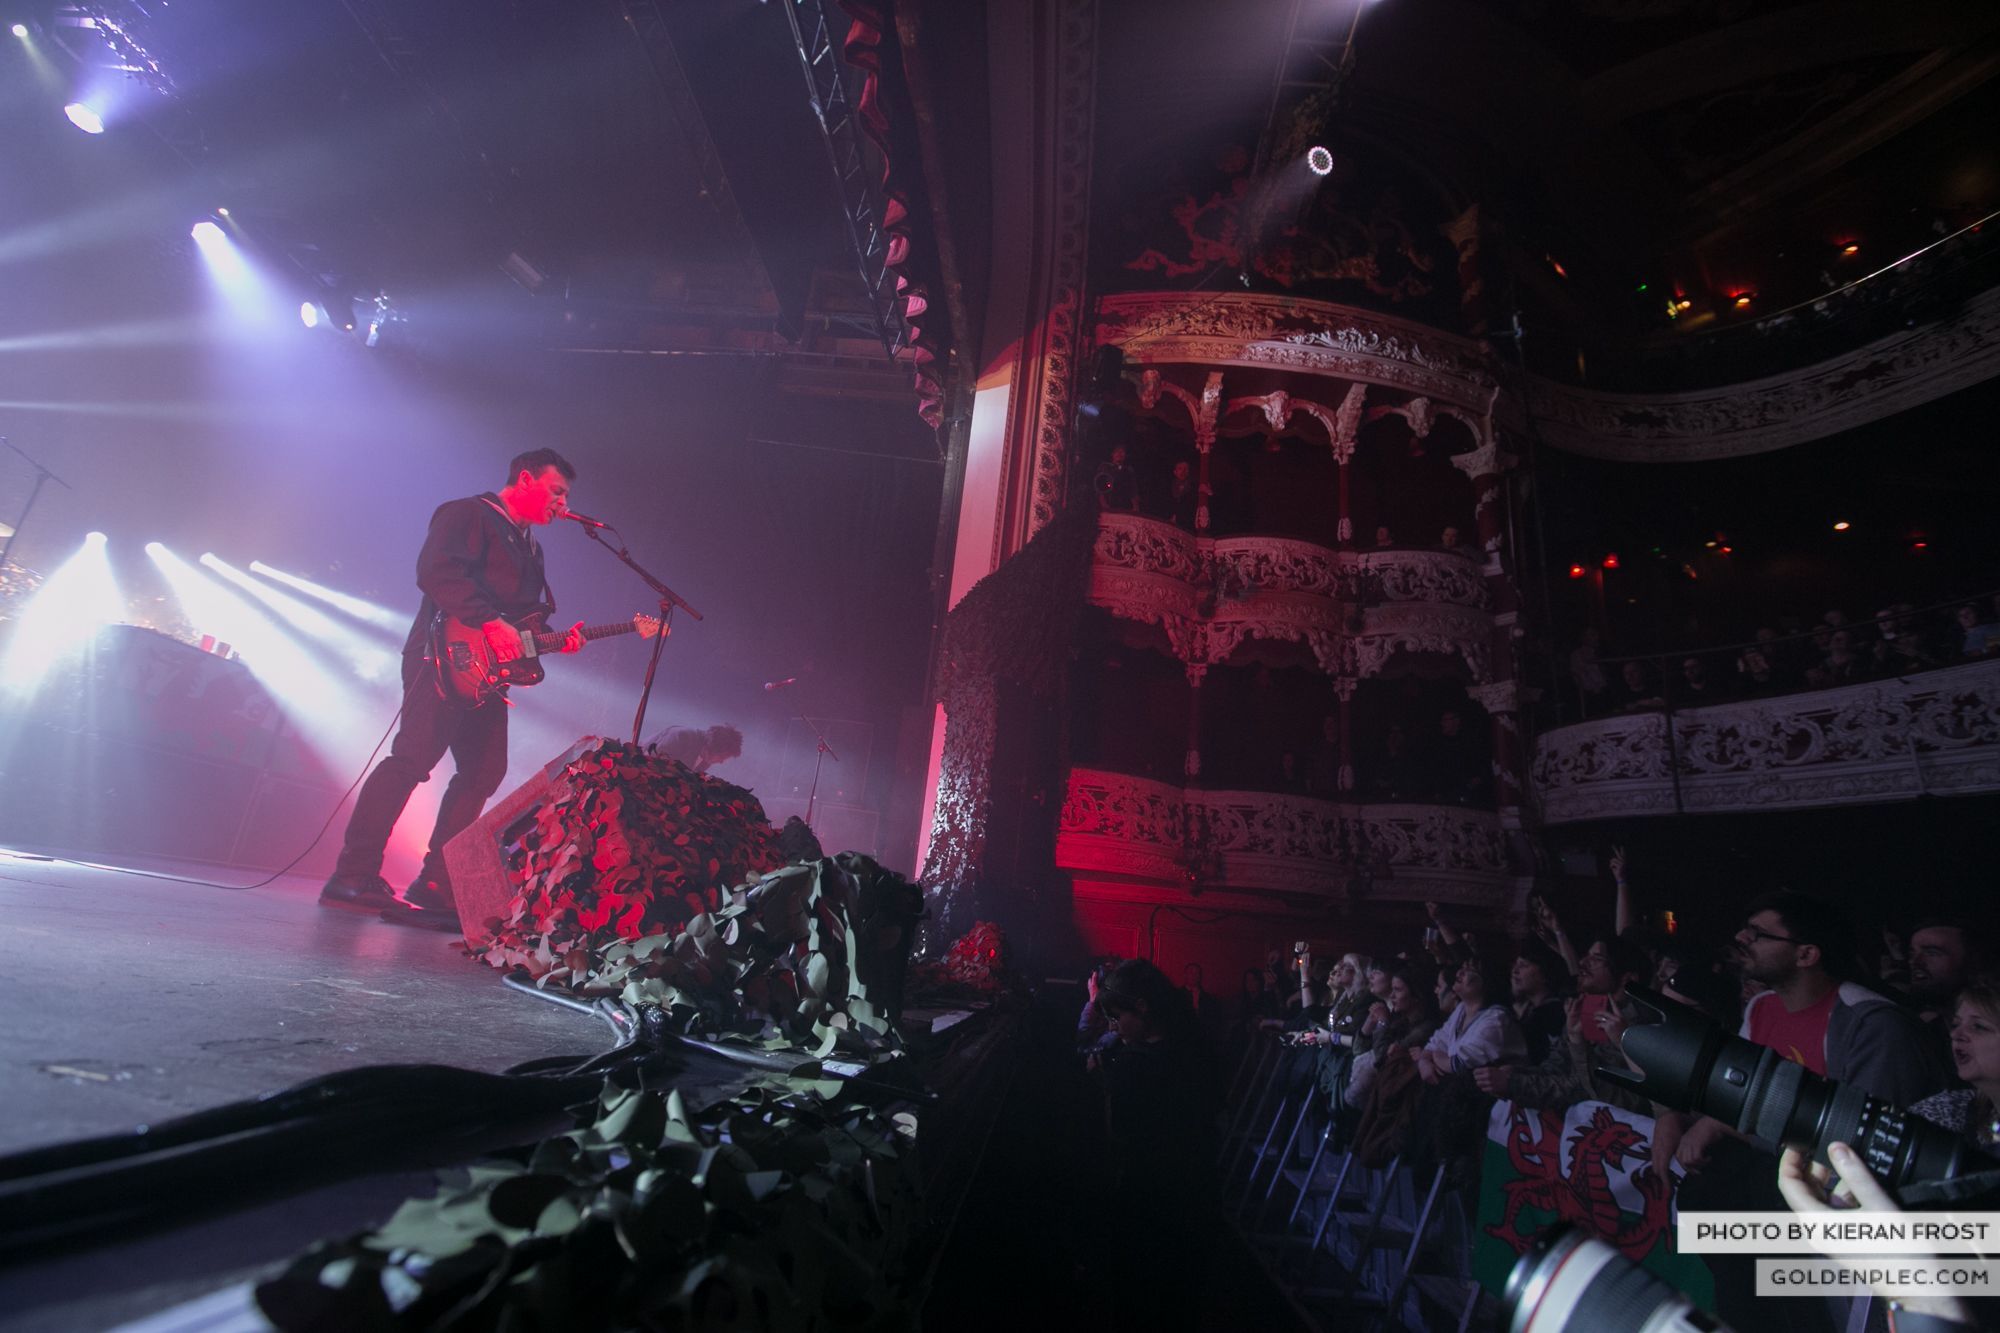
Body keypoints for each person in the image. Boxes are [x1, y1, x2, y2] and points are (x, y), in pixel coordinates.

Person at [319, 450, 586, 929]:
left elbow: (519, 624)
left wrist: (549, 643)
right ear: (525, 479)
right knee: (412, 760)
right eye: (557, 492)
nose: (563, 504)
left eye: (566, 496)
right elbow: (438, 573)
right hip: (439, 658)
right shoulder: (469, 513)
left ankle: (438, 881)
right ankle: (351, 875)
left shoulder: (531, 546)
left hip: (487, 674)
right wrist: (488, 621)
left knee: (485, 771)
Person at [646, 723, 743, 774]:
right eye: (722, 757)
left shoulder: (705, 760)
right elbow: (651, 761)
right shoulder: (682, 736)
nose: (722, 762)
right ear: (714, 748)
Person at [1092, 444, 1140, 513]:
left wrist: (1135, 507)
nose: (1120, 454)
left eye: (1122, 452)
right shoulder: (1105, 467)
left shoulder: (1128, 471)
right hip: (1108, 506)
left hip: (1124, 508)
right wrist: (1104, 504)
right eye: (1117, 451)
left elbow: (1133, 490)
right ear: (1113, 454)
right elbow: (1099, 487)